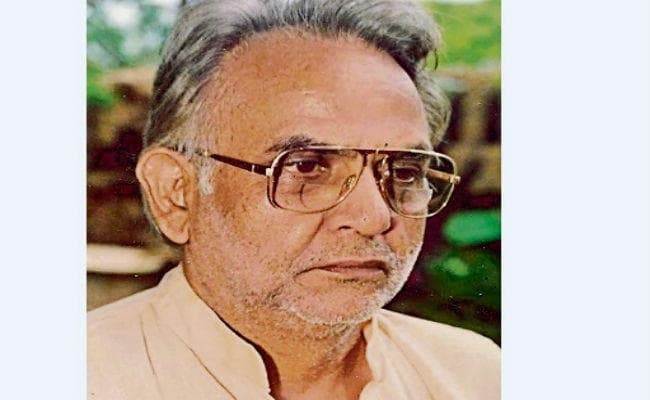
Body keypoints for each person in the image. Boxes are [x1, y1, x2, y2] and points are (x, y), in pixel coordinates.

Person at [87, 0, 500, 399]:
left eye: (405, 171)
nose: (375, 216)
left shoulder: (474, 377)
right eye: (307, 167)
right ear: (175, 192)